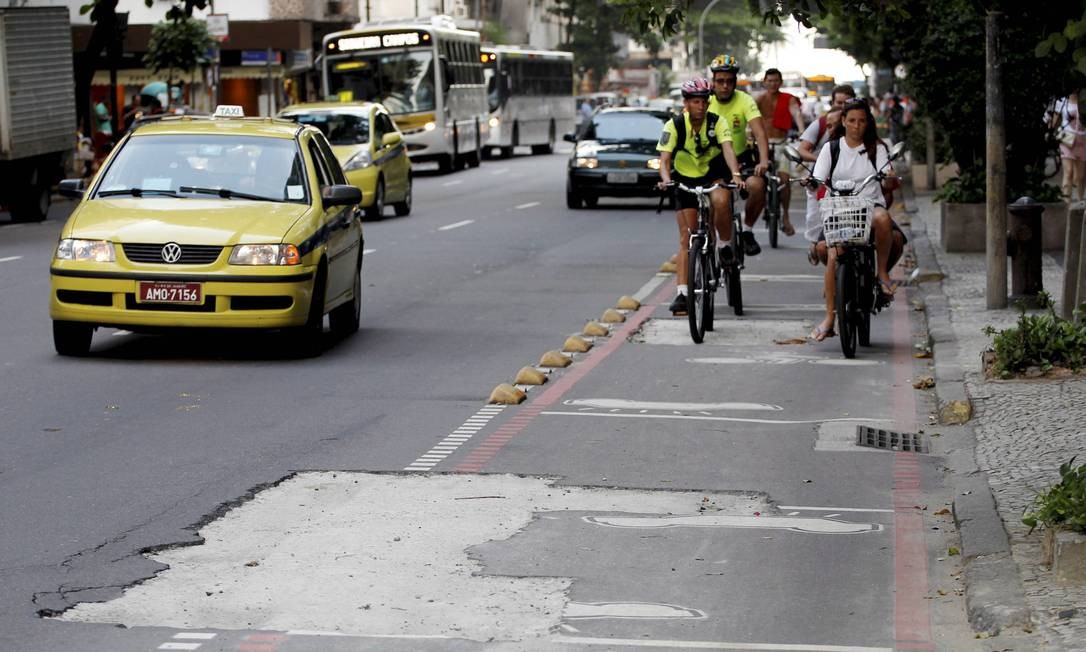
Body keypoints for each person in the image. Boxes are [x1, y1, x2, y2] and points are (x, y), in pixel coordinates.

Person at [808, 99, 905, 342]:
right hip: (839, 211)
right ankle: (830, 318)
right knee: (832, 255)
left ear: (868, 122)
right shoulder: (831, 148)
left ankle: (882, 273)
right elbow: (817, 178)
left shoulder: (877, 148)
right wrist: (810, 182)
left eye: (862, 121)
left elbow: (887, 180)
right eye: (851, 121)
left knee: (883, 218)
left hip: (870, 209)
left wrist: (890, 178)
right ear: (843, 121)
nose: (856, 126)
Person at [656, 77, 745, 315]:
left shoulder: (718, 122)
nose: (702, 106)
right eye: (696, 102)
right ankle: (683, 294)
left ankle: (725, 246)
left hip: (713, 175)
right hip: (684, 179)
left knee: (720, 200)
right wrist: (666, 179)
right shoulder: (674, 125)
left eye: (705, 101)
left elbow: (728, 149)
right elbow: (664, 160)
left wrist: (735, 175)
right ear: (686, 103)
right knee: (686, 238)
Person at [707, 54, 770, 257]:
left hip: (742, 158)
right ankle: (721, 244)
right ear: (713, 82)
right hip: (713, 162)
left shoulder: (745, 100)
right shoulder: (704, 101)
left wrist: (763, 160)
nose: (725, 86)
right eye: (720, 81)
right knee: (720, 201)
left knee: (758, 186)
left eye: (729, 81)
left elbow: (760, 133)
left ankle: (747, 230)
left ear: (735, 82)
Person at [755, 68, 805, 236]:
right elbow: (750, 118)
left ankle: (786, 217)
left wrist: (801, 129)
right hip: (762, 144)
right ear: (764, 82)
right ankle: (762, 206)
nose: (772, 84)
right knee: (759, 180)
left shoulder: (788, 99)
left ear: (780, 82)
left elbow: (796, 113)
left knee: (784, 179)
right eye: (769, 81)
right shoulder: (759, 99)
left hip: (781, 143)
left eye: (776, 80)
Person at [1052, 91, 1086, 200]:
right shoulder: (1062, 101)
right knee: (1068, 172)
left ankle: (1080, 202)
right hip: (1067, 140)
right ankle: (1066, 204)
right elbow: (1054, 123)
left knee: (1080, 176)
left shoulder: (1084, 101)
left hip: (1083, 140)